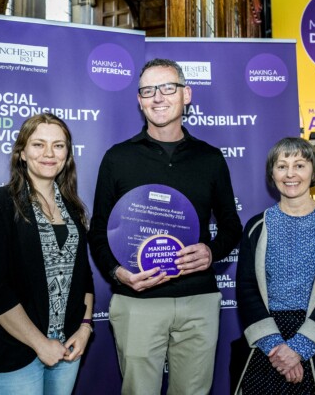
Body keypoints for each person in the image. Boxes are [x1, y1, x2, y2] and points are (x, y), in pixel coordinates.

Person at [88, 58, 242, 395]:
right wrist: (117, 272)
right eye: (148, 90)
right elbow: (98, 231)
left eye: (167, 88)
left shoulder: (210, 158)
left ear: (186, 94)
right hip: (137, 299)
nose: (158, 97)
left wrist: (211, 251)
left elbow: (232, 225)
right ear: (139, 101)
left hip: (198, 299)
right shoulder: (117, 158)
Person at [0, 113, 95, 395]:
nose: (49, 153)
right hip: (19, 349)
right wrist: (41, 344)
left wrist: (85, 327)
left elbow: (84, 275)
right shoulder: (0, 204)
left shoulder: (73, 207)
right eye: (38, 144)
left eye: (58, 145)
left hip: (68, 346)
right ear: (22, 153)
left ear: (67, 155)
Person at [233, 137, 315, 394]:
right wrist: (277, 348)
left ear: (314, 171)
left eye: (299, 165)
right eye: (281, 166)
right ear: (272, 173)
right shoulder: (257, 226)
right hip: (267, 343)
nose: (290, 174)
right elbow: (246, 290)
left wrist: (298, 349)